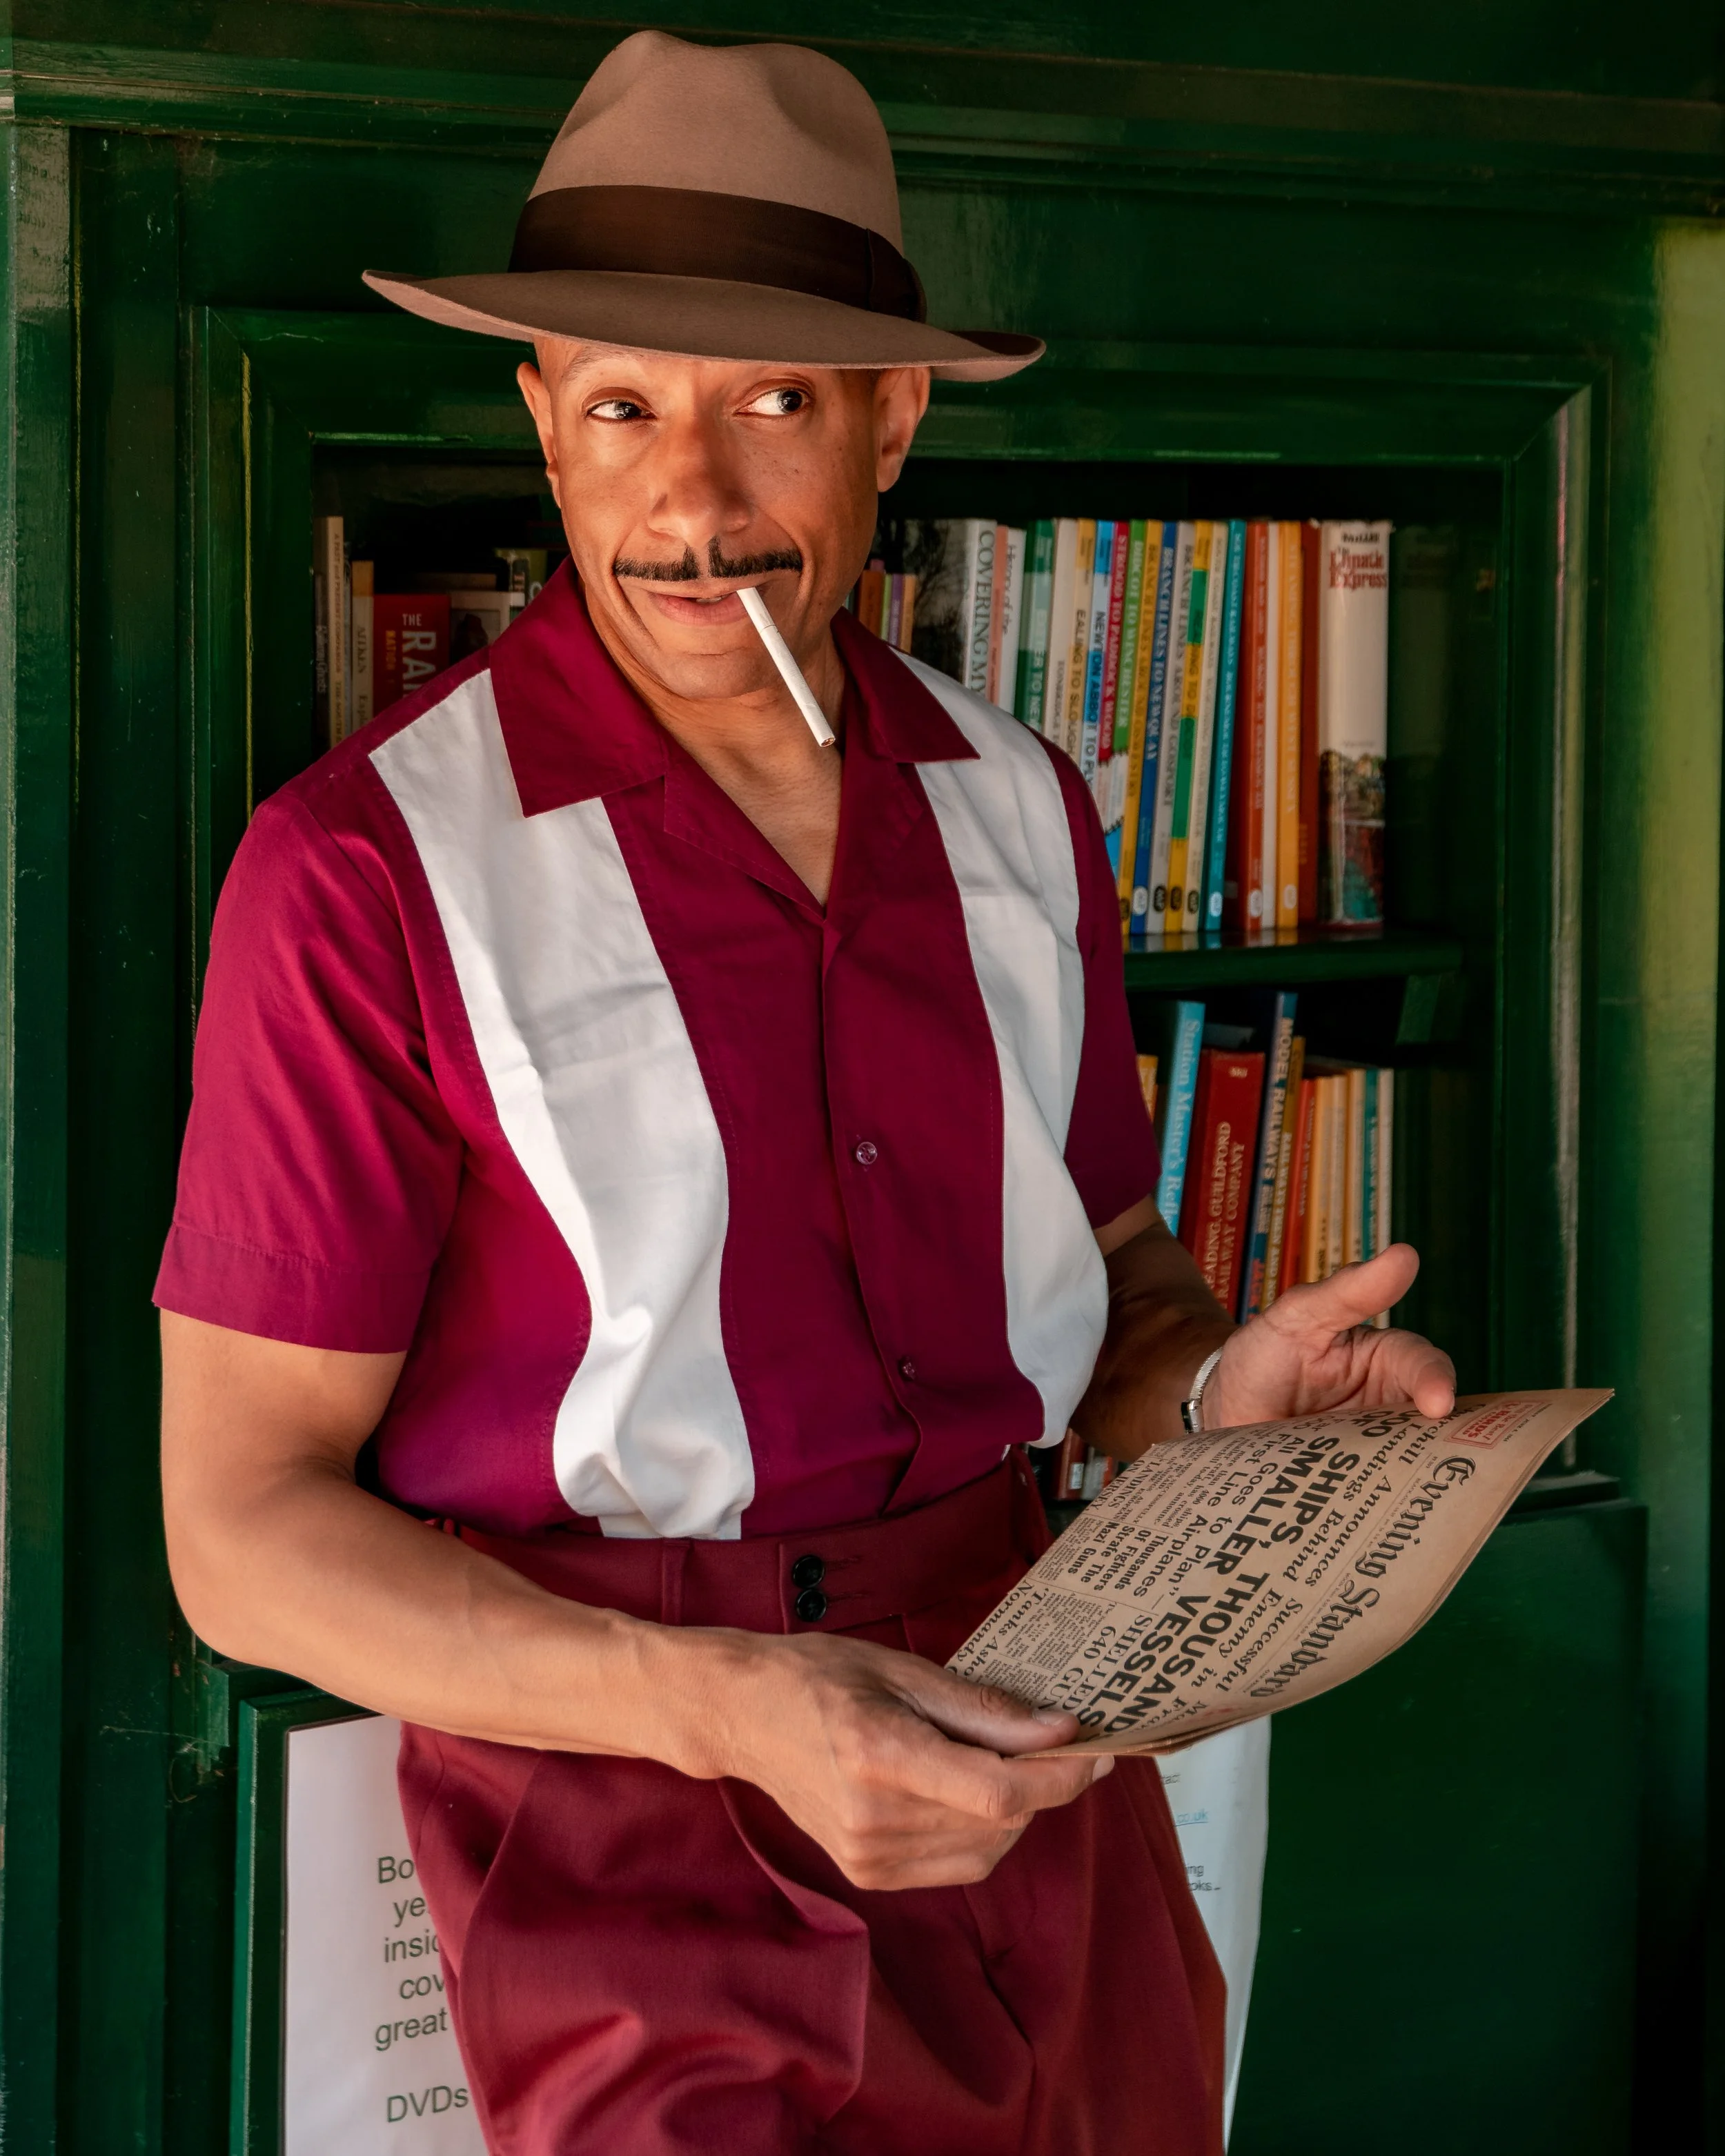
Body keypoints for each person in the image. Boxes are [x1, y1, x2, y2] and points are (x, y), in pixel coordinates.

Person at [157, 32, 1456, 2155]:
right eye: (620, 408)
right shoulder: (366, 870)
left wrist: (1228, 1406)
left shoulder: (1027, 803)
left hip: (1052, 1719)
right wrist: (723, 1705)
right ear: (542, 428)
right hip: (631, 1817)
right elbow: (242, 1540)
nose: (689, 501)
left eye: (769, 403)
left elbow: (1112, 1274)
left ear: (887, 417)